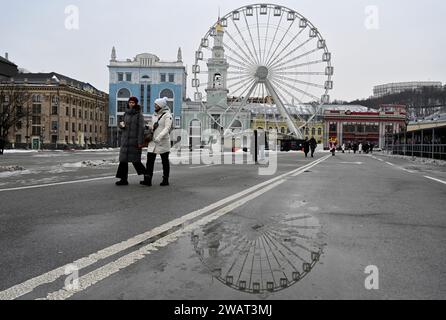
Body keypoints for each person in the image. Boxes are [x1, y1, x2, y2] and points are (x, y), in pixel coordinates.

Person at [141, 97, 173, 187]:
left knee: (165, 161)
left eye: (156, 105)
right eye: (155, 104)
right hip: (153, 141)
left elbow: (167, 128)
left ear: (161, 106)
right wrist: (148, 127)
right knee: (149, 161)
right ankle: (148, 180)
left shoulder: (168, 115)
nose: (154, 106)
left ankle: (165, 179)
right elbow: (153, 125)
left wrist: (159, 137)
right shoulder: (154, 115)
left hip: (163, 142)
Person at [115, 97, 146, 186]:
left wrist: (140, 142)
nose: (131, 104)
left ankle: (146, 175)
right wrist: (121, 126)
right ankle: (123, 179)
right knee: (123, 161)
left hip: (134, 141)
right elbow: (122, 125)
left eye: (133, 103)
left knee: (136, 161)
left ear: (136, 104)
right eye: (130, 102)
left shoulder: (139, 115)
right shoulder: (126, 114)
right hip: (125, 141)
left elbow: (141, 129)